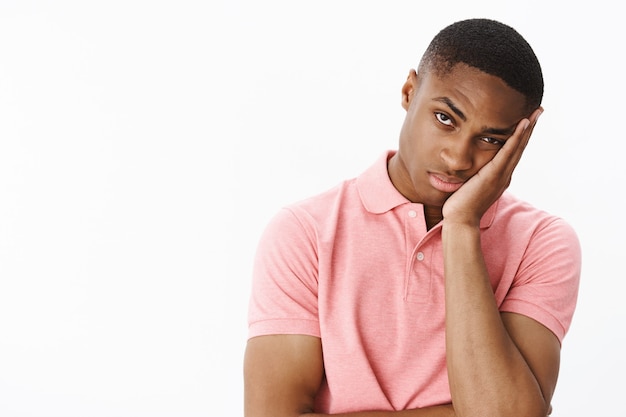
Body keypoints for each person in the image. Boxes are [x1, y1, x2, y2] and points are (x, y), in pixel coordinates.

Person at [244, 18, 581, 417]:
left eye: (491, 140)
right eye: (445, 118)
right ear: (409, 92)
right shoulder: (304, 233)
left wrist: (460, 228)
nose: (457, 158)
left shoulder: (541, 242)